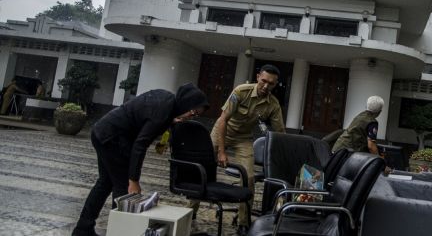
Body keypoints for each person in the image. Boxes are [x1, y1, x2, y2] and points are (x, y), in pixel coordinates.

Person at [72, 83, 209, 236]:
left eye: (196, 115)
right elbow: (140, 145)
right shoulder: (163, 112)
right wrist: (133, 180)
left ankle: (82, 229)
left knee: (104, 183)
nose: (192, 116)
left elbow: (148, 115)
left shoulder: (167, 101)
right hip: (112, 139)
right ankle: (118, 232)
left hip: (102, 131)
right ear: (186, 104)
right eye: (193, 112)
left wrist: (170, 122)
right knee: (123, 190)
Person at [209, 64, 286, 235]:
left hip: (243, 138)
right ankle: (191, 209)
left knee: (249, 178)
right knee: (203, 168)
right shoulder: (240, 91)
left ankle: (244, 222)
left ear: (275, 84)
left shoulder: (273, 105)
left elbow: (280, 133)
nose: (266, 86)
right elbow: (223, 120)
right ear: (258, 77)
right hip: (222, 130)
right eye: (264, 81)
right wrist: (221, 151)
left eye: (271, 84)